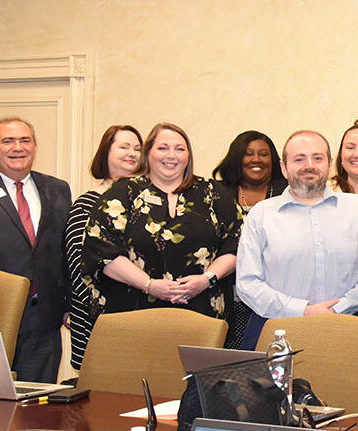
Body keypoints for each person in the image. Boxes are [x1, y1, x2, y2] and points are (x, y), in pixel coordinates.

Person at [236, 130, 358, 350]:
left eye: (317, 158)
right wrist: (303, 310)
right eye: (299, 159)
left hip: (347, 328)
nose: (309, 165)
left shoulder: (357, 209)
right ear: (284, 167)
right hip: (277, 332)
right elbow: (248, 283)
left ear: (330, 164)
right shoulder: (261, 214)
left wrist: (339, 308)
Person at [83, 122, 241, 320]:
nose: (171, 155)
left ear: (188, 155)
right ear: (147, 153)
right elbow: (101, 249)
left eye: (180, 149)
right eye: (162, 148)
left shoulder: (213, 193)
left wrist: (206, 279)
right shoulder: (123, 193)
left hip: (203, 314)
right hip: (135, 314)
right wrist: (150, 285)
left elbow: (238, 244)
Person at [0, 117, 71, 383]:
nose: (17, 147)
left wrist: (68, 304)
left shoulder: (58, 189)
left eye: (25, 140)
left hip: (44, 323)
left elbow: (64, 253)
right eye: (8, 141)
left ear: (34, 146)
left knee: (38, 410)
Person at [65, 124, 141, 370]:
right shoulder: (88, 202)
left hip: (142, 315)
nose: (132, 153)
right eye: (124, 146)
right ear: (105, 153)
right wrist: (100, 310)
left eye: (138, 148)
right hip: (96, 315)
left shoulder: (148, 200)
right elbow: (78, 264)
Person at [211, 129, 287, 348]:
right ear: (237, 158)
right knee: (232, 355)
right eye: (248, 153)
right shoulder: (218, 193)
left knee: (265, 351)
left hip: (273, 296)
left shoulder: (286, 192)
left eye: (263, 154)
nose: (256, 159)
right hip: (227, 292)